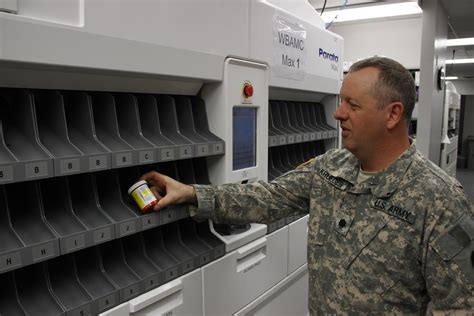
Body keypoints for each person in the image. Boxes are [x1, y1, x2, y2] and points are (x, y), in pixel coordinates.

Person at [140, 57, 474, 314]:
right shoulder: (330, 169)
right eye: (340, 101)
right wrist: (193, 193)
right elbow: (268, 198)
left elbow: (460, 305)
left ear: (392, 114)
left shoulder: (438, 198)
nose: (338, 114)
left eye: (352, 105)